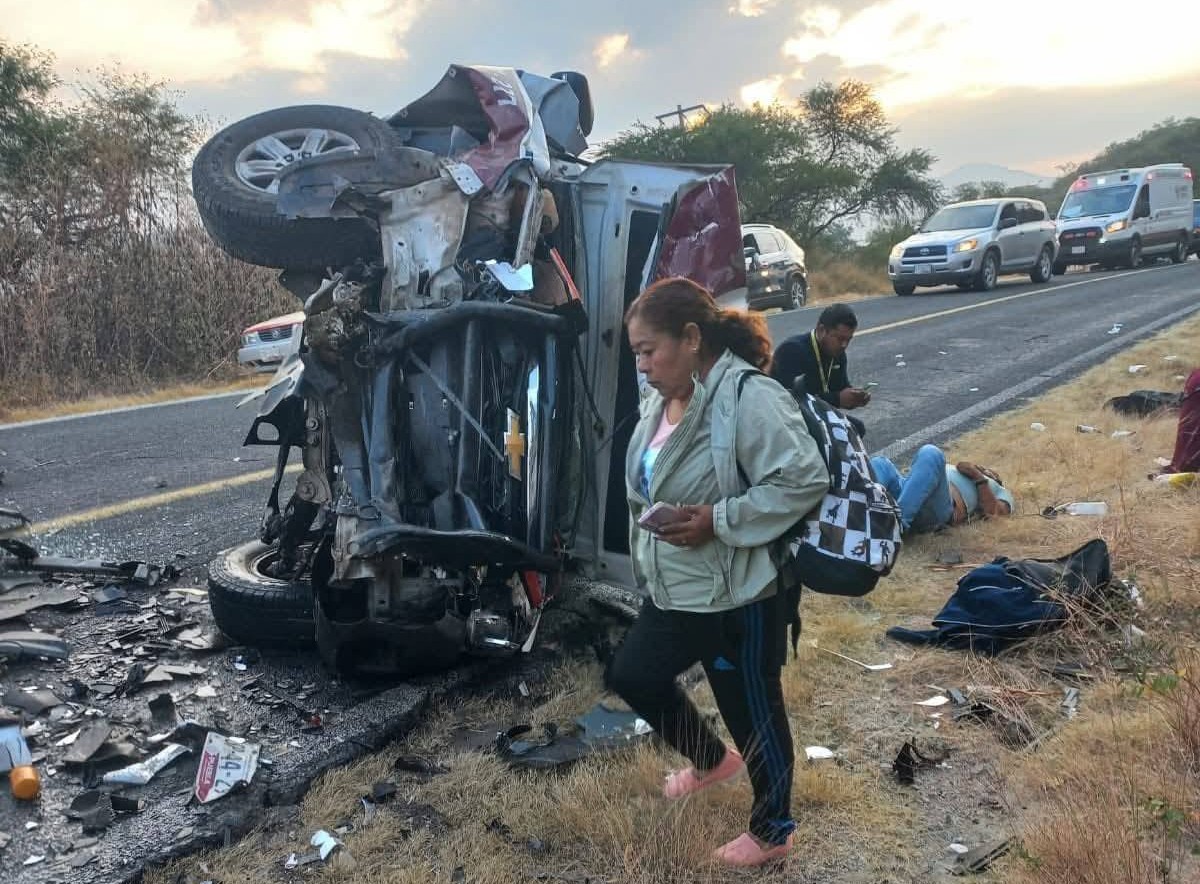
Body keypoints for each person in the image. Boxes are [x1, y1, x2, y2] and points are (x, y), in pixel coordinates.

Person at [606, 277, 828, 867]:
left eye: (650, 351)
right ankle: (711, 762)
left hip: (741, 592)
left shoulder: (748, 396)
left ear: (692, 337)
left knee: (753, 710)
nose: (644, 366)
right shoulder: (660, 400)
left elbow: (803, 479)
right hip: (677, 587)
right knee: (633, 674)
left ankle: (773, 829)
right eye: (637, 354)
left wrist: (720, 520)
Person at [869, 444, 1013, 535]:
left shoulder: (997, 488)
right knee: (880, 463)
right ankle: (860, 515)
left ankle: (895, 526)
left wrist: (979, 477)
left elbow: (995, 513)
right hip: (907, 493)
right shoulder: (951, 469)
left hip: (938, 506)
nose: (984, 468)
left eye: (990, 471)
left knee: (931, 452)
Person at [771, 303, 871, 415]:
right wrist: (837, 399)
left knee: (857, 427)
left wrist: (855, 397)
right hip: (789, 416)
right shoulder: (792, 350)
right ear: (821, 330)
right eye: (840, 338)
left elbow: (840, 388)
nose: (844, 345)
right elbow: (789, 399)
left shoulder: (838, 353)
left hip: (817, 414)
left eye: (848, 340)